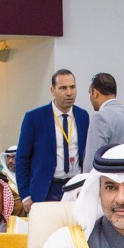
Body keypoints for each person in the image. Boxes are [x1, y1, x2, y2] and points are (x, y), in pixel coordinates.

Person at [16, 69, 90, 210]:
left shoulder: (82, 116)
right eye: (63, 88)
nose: (69, 93)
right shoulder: (35, 118)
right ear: (52, 90)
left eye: (72, 87)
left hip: (75, 187)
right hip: (46, 189)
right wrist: (25, 195)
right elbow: (22, 158)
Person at [82, 73, 124, 170]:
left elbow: (92, 162)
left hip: (108, 181)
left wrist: (86, 183)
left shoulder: (100, 118)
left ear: (95, 92)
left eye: (90, 93)